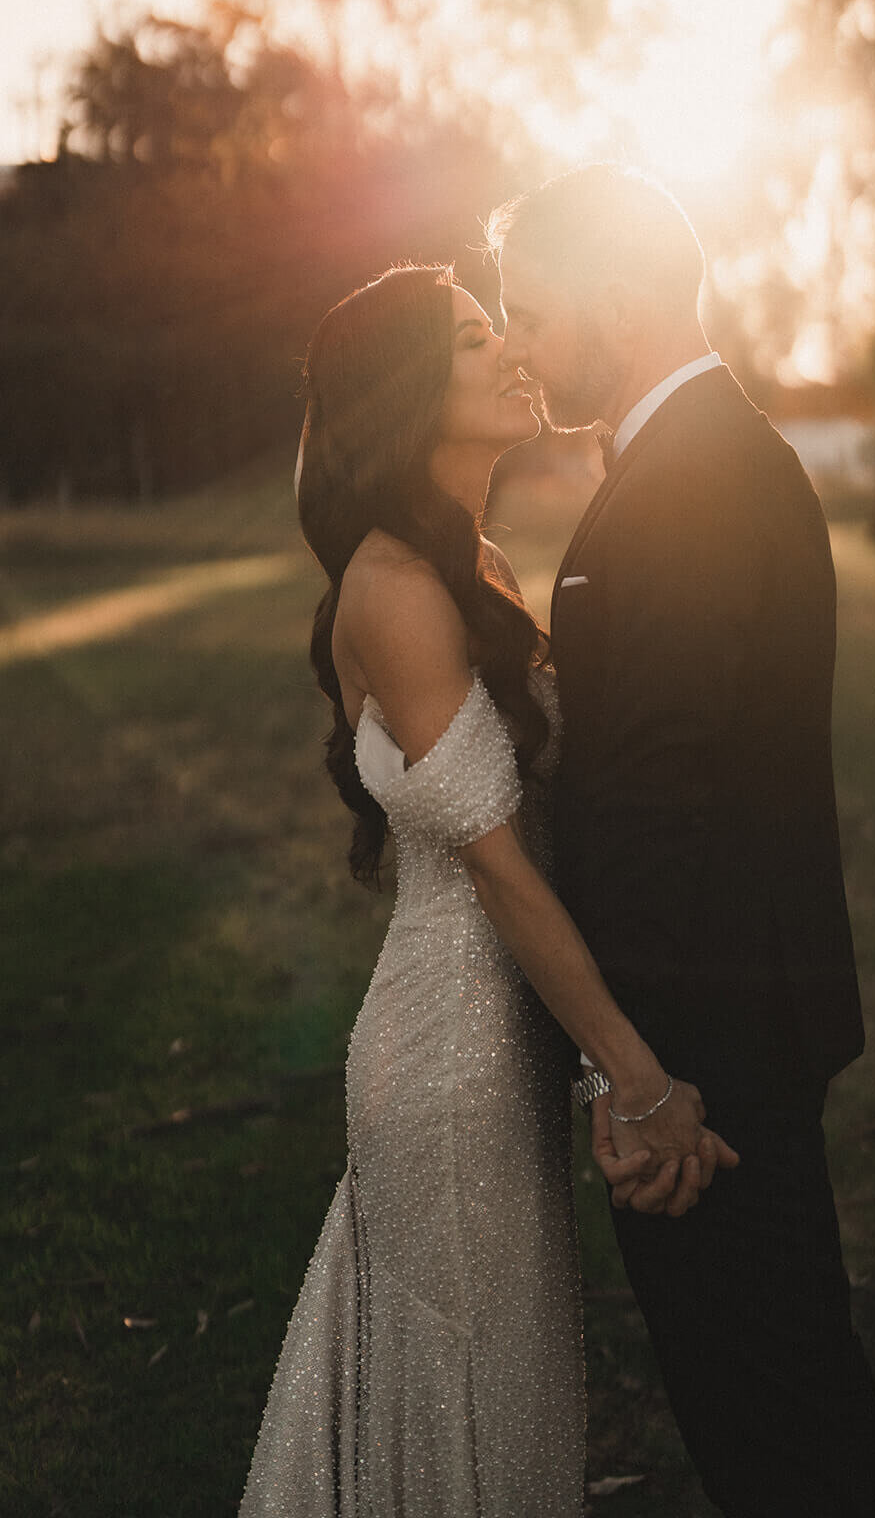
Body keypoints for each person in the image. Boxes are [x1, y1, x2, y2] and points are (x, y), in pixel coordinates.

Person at [238, 263, 738, 1518]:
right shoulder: (397, 589)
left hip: (501, 1035)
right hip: (447, 1054)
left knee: (497, 1387)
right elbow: (504, 872)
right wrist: (636, 1075)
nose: (512, 349)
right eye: (472, 338)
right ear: (411, 388)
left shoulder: (475, 567)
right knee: (471, 1391)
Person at [486, 165, 875, 1518]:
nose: (521, 344)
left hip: (709, 1063)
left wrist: (640, 1086)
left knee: (772, 1419)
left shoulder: (698, 479)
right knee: (772, 1404)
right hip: (717, 1034)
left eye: (532, 311)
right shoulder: (685, 459)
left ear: (617, 298)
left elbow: (657, 809)